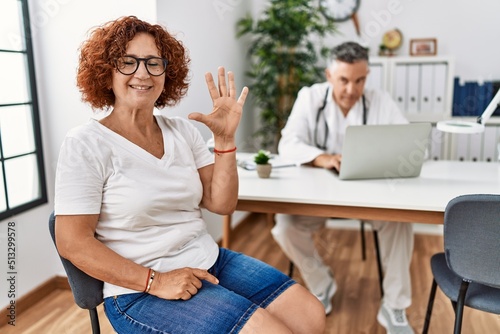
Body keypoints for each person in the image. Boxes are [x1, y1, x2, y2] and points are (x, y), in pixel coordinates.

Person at [54, 16, 325, 334]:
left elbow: (221, 204)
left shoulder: (182, 131)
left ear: (166, 73)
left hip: (209, 259)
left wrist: (225, 142)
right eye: (128, 62)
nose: (142, 73)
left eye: (154, 63)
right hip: (138, 291)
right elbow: (72, 242)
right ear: (107, 71)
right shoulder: (85, 144)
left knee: (310, 316)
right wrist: (156, 281)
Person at [271, 41, 415, 334]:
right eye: (344, 80)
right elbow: (288, 144)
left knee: (400, 223)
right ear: (329, 75)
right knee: (284, 226)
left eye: (360, 80)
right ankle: (321, 283)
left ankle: (394, 306)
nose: (352, 89)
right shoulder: (310, 97)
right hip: (319, 199)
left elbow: (406, 142)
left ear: (367, 76)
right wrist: (324, 158)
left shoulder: (380, 100)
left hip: (370, 199)